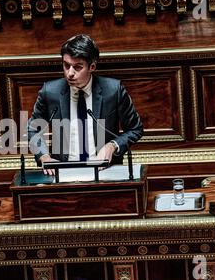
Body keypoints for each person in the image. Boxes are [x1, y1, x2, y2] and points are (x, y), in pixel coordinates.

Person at [28, 34, 143, 175]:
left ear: (92, 66)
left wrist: (112, 146)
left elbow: (135, 129)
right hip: (62, 171)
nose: (70, 73)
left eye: (77, 67)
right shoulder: (50, 92)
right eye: (66, 65)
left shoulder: (113, 91)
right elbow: (33, 129)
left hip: (104, 170)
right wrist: (44, 156)